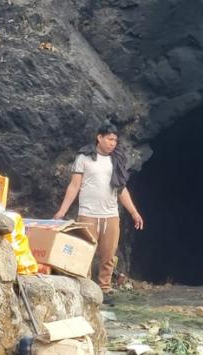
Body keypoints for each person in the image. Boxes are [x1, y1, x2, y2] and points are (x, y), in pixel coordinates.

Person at [54, 124, 144, 302]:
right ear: (99, 137)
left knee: (109, 253)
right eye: (110, 139)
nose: (113, 143)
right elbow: (74, 186)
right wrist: (61, 212)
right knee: (85, 251)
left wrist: (134, 212)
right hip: (88, 213)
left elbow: (121, 189)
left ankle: (104, 287)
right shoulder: (84, 158)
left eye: (115, 140)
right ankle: (84, 286)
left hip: (110, 214)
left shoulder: (116, 160)